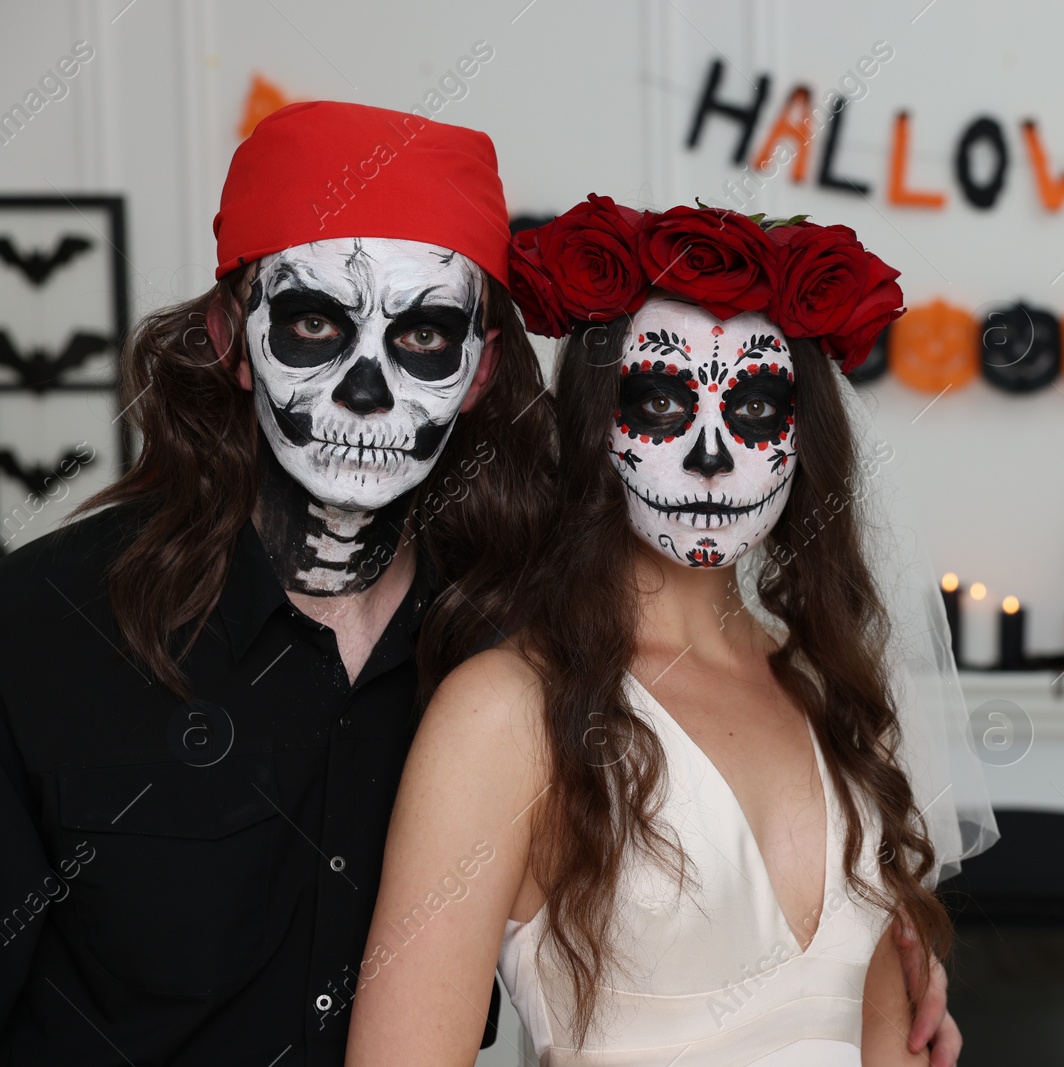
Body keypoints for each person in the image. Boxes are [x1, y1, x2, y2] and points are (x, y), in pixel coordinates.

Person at [0, 108, 964, 1065]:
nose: (366, 391)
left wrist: (865, 956)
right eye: (311, 323)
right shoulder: (40, 629)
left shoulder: (522, 620)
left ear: (478, 366)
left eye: (423, 335)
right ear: (230, 340)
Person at [346, 198, 995, 1065]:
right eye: (659, 402)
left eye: (759, 410)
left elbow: (889, 1040)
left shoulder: (837, 698)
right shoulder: (505, 715)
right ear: (594, 424)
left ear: (807, 438)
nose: (712, 455)